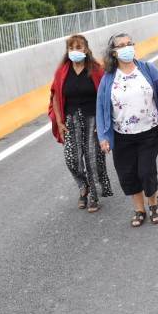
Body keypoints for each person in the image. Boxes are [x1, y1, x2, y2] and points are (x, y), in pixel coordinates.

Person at [95, 33, 158, 226]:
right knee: (128, 173)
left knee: (146, 171)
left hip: (149, 131)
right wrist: (103, 136)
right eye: (121, 46)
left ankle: (153, 204)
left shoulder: (147, 69)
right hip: (121, 135)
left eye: (129, 44)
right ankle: (139, 209)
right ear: (114, 53)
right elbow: (101, 109)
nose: (127, 48)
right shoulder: (108, 79)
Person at [49, 34, 113, 213]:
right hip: (71, 120)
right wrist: (60, 122)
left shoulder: (96, 70)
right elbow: (55, 96)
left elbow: (106, 95)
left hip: (93, 120)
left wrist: (104, 125)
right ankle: (82, 185)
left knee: (93, 160)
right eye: (72, 48)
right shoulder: (62, 72)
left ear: (85, 49)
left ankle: (93, 196)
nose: (75, 51)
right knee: (72, 159)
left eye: (79, 47)